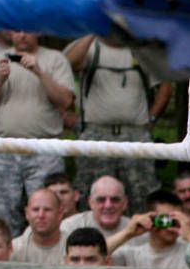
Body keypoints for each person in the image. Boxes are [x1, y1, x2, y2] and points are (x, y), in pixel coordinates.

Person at [0, 31, 74, 233]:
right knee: (2, 216)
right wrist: (0, 80)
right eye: (17, 30)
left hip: (44, 149)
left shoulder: (56, 59)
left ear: (38, 31)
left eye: (27, 30)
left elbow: (66, 100)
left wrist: (39, 72)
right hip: (4, 149)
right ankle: (5, 261)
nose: (21, 35)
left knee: (45, 214)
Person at [64, 33, 168, 206]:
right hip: (96, 134)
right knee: (91, 195)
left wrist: (152, 118)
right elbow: (67, 65)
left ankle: (142, 231)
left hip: (136, 135)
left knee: (143, 196)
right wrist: (93, 30)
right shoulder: (88, 46)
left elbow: (165, 86)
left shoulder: (143, 49)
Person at [105, 189, 190, 269]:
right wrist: (127, 232)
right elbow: (95, 253)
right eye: (164, 219)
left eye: (175, 221)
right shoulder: (132, 255)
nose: (170, 226)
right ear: (150, 218)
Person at [60, 176, 131, 239]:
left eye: (115, 199)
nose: (108, 205)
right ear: (91, 202)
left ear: (124, 203)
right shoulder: (70, 227)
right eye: (101, 200)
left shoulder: (137, 231)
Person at [9, 188, 66, 265]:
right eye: (35, 210)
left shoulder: (73, 249)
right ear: (27, 213)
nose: (41, 215)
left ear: (60, 213)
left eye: (47, 210)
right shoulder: (13, 249)